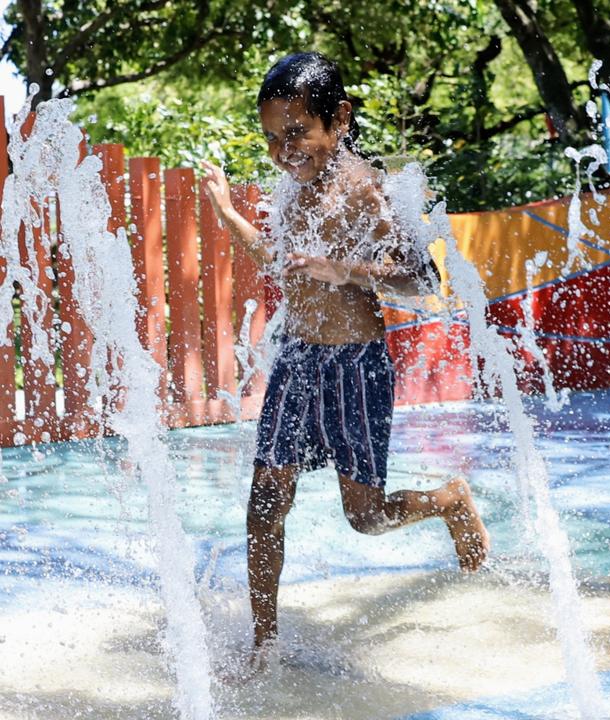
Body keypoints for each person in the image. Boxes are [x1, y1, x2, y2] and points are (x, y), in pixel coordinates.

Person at [200, 51, 489, 671]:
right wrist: (228, 215)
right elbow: (280, 262)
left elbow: (420, 277)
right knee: (264, 507)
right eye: (273, 137)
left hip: (356, 368)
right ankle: (263, 644)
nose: (285, 150)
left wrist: (347, 271)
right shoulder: (292, 189)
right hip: (297, 363)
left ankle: (450, 500)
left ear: (340, 119)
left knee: (367, 517)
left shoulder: (367, 191)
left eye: (298, 132)